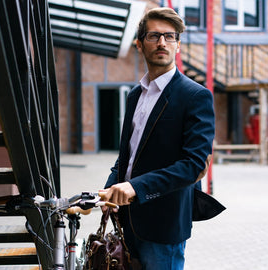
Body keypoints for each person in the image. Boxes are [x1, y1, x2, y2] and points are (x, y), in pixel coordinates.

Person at [101, 7, 217, 270]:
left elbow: (194, 164)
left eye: (170, 36)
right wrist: (110, 191)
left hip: (164, 225)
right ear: (140, 44)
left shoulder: (195, 96)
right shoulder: (134, 95)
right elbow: (128, 155)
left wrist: (135, 188)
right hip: (129, 221)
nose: (162, 42)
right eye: (154, 36)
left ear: (178, 45)